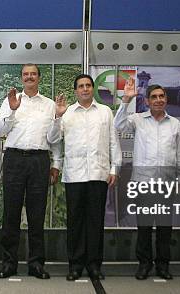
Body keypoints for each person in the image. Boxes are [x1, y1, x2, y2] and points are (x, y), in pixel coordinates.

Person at [48, 74, 122, 281]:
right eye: (81, 86)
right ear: (75, 91)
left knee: (95, 222)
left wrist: (114, 168)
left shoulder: (105, 112)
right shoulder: (67, 113)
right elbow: (52, 139)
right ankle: (75, 264)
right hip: (74, 175)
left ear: (93, 89)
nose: (85, 89)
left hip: (99, 174)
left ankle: (94, 265)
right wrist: (57, 117)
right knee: (75, 222)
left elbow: (113, 142)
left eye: (88, 85)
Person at [0, 64, 61, 279]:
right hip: (14, 159)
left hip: (39, 161)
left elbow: (54, 139)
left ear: (39, 78)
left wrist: (56, 164)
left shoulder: (50, 105)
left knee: (37, 214)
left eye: (33, 74)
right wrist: (13, 110)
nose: (29, 77)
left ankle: (36, 264)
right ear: (22, 78)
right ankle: (8, 263)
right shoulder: (10, 101)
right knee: (11, 214)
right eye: (25, 74)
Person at [114, 80, 180, 280]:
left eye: (161, 96)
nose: (158, 100)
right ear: (146, 101)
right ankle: (144, 264)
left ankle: (163, 266)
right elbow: (118, 124)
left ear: (166, 99)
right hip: (143, 184)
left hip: (167, 185)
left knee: (164, 229)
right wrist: (126, 100)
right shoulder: (137, 119)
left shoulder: (175, 124)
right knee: (144, 228)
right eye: (154, 97)